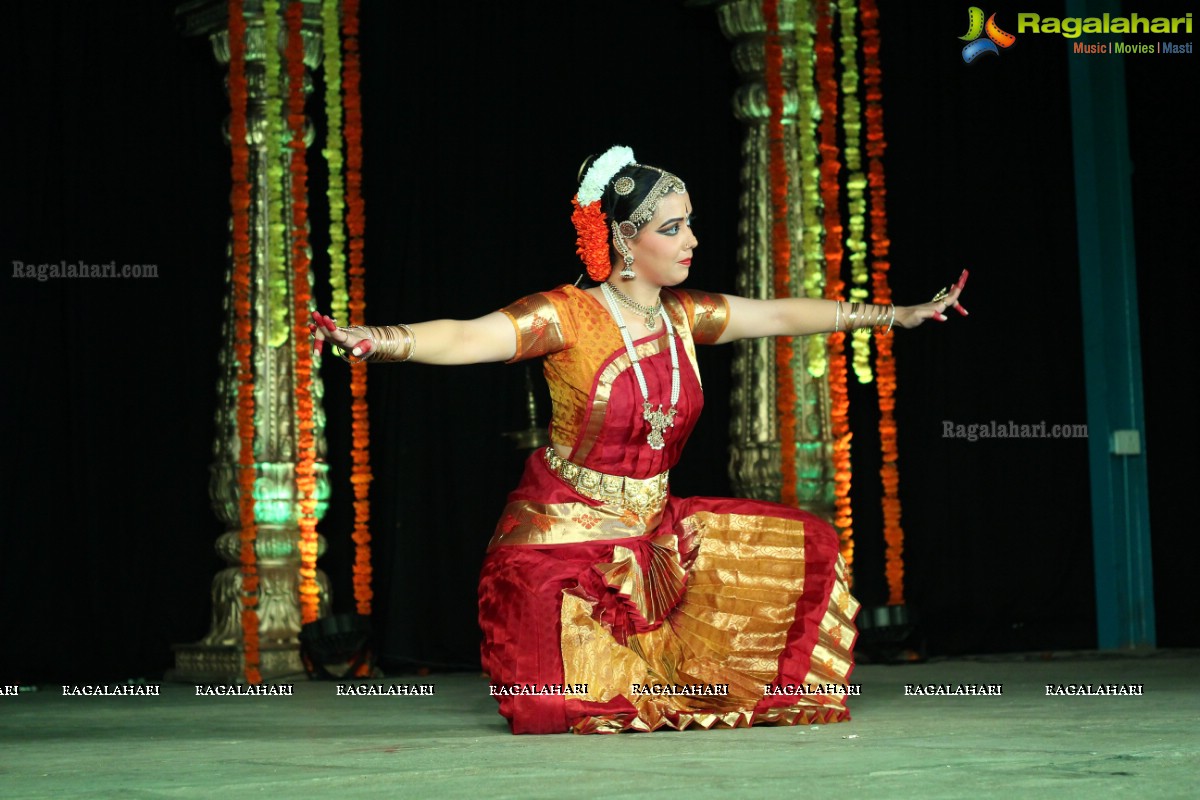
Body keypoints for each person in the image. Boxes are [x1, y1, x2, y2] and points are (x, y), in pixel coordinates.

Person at [309, 144, 968, 735]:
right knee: (553, 700)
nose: (691, 241)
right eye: (673, 228)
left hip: (656, 536)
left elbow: (778, 315)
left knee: (811, 547)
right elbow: (464, 335)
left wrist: (897, 314)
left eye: (689, 224)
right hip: (561, 544)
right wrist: (379, 341)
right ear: (626, 240)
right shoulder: (564, 315)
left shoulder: (685, 315)